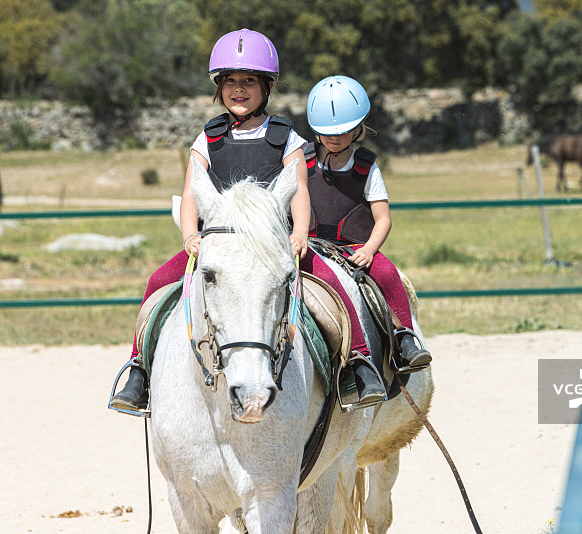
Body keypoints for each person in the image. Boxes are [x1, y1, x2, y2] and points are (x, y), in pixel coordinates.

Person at [110, 30, 384, 412]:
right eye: (230, 81)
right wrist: (190, 234)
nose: (239, 89)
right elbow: (191, 192)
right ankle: (139, 368)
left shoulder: (285, 138)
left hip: (271, 243)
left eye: (249, 81)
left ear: (267, 86)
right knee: (158, 282)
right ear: (219, 87)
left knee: (332, 282)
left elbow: (300, 190)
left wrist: (301, 232)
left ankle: (358, 362)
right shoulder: (207, 138)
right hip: (218, 243)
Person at [303, 75, 432, 375]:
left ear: (358, 128)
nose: (335, 138)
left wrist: (371, 250)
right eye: (327, 133)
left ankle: (405, 338)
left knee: (387, 272)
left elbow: (383, 219)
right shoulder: (302, 160)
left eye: (345, 131)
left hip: (353, 246)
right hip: (309, 246)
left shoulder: (366, 167)